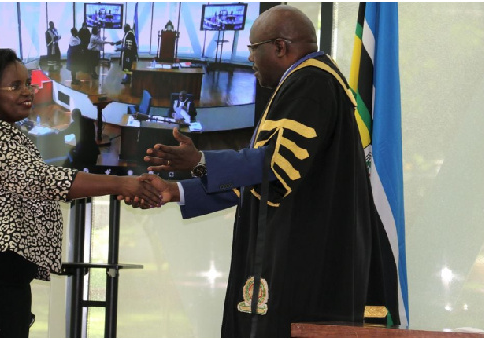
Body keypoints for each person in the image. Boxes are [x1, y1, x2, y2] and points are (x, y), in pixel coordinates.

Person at [129, 5, 400, 337]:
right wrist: (177, 191)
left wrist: (201, 161)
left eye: (253, 49)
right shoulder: (301, 83)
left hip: (305, 264)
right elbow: (263, 180)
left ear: (280, 47)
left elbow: (274, 169)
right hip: (297, 256)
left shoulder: (311, 83)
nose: (250, 59)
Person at [0, 48, 162, 338]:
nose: (28, 92)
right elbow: (40, 181)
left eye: (28, 83)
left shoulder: (6, 132)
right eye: (15, 86)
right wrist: (122, 183)